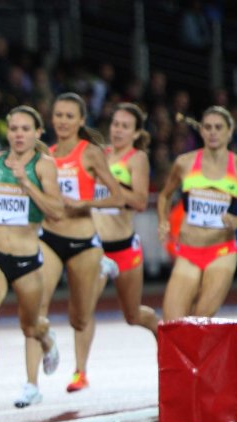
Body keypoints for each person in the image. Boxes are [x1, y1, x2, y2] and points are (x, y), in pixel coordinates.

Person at [0, 106, 64, 419]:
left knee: (30, 325)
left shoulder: (44, 166)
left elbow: (56, 211)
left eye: (25, 129)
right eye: (14, 129)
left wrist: (27, 184)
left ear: (37, 133)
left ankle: (46, 340)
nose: (18, 134)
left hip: (26, 258)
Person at [26, 92, 124, 399]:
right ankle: (32, 383)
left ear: (81, 120)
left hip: (83, 240)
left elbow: (119, 197)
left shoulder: (90, 153)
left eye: (70, 116)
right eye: (58, 115)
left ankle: (80, 371)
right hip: (50, 237)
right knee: (36, 305)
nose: (63, 121)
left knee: (79, 317)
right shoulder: (45, 154)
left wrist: (85, 203)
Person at [157, 106, 237, 320]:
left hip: (221, 252)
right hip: (188, 250)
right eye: (208, 127)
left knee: (201, 319)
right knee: (172, 322)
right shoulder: (184, 163)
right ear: (201, 131)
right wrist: (162, 221)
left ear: (229, 132)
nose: (213, 132)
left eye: (218, 127)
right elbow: (164, 196)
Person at [80, 104, 159, 352]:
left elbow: (140, 202)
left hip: (123, 248)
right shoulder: (98, 154)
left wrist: (111, 184)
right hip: (96, 248)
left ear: (136, 133)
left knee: (132, 315)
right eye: (116, 124)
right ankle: (80, 369)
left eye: (125, 126)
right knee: (84, 307)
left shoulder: (137, 158)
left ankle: (163, 335)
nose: (118, 130)